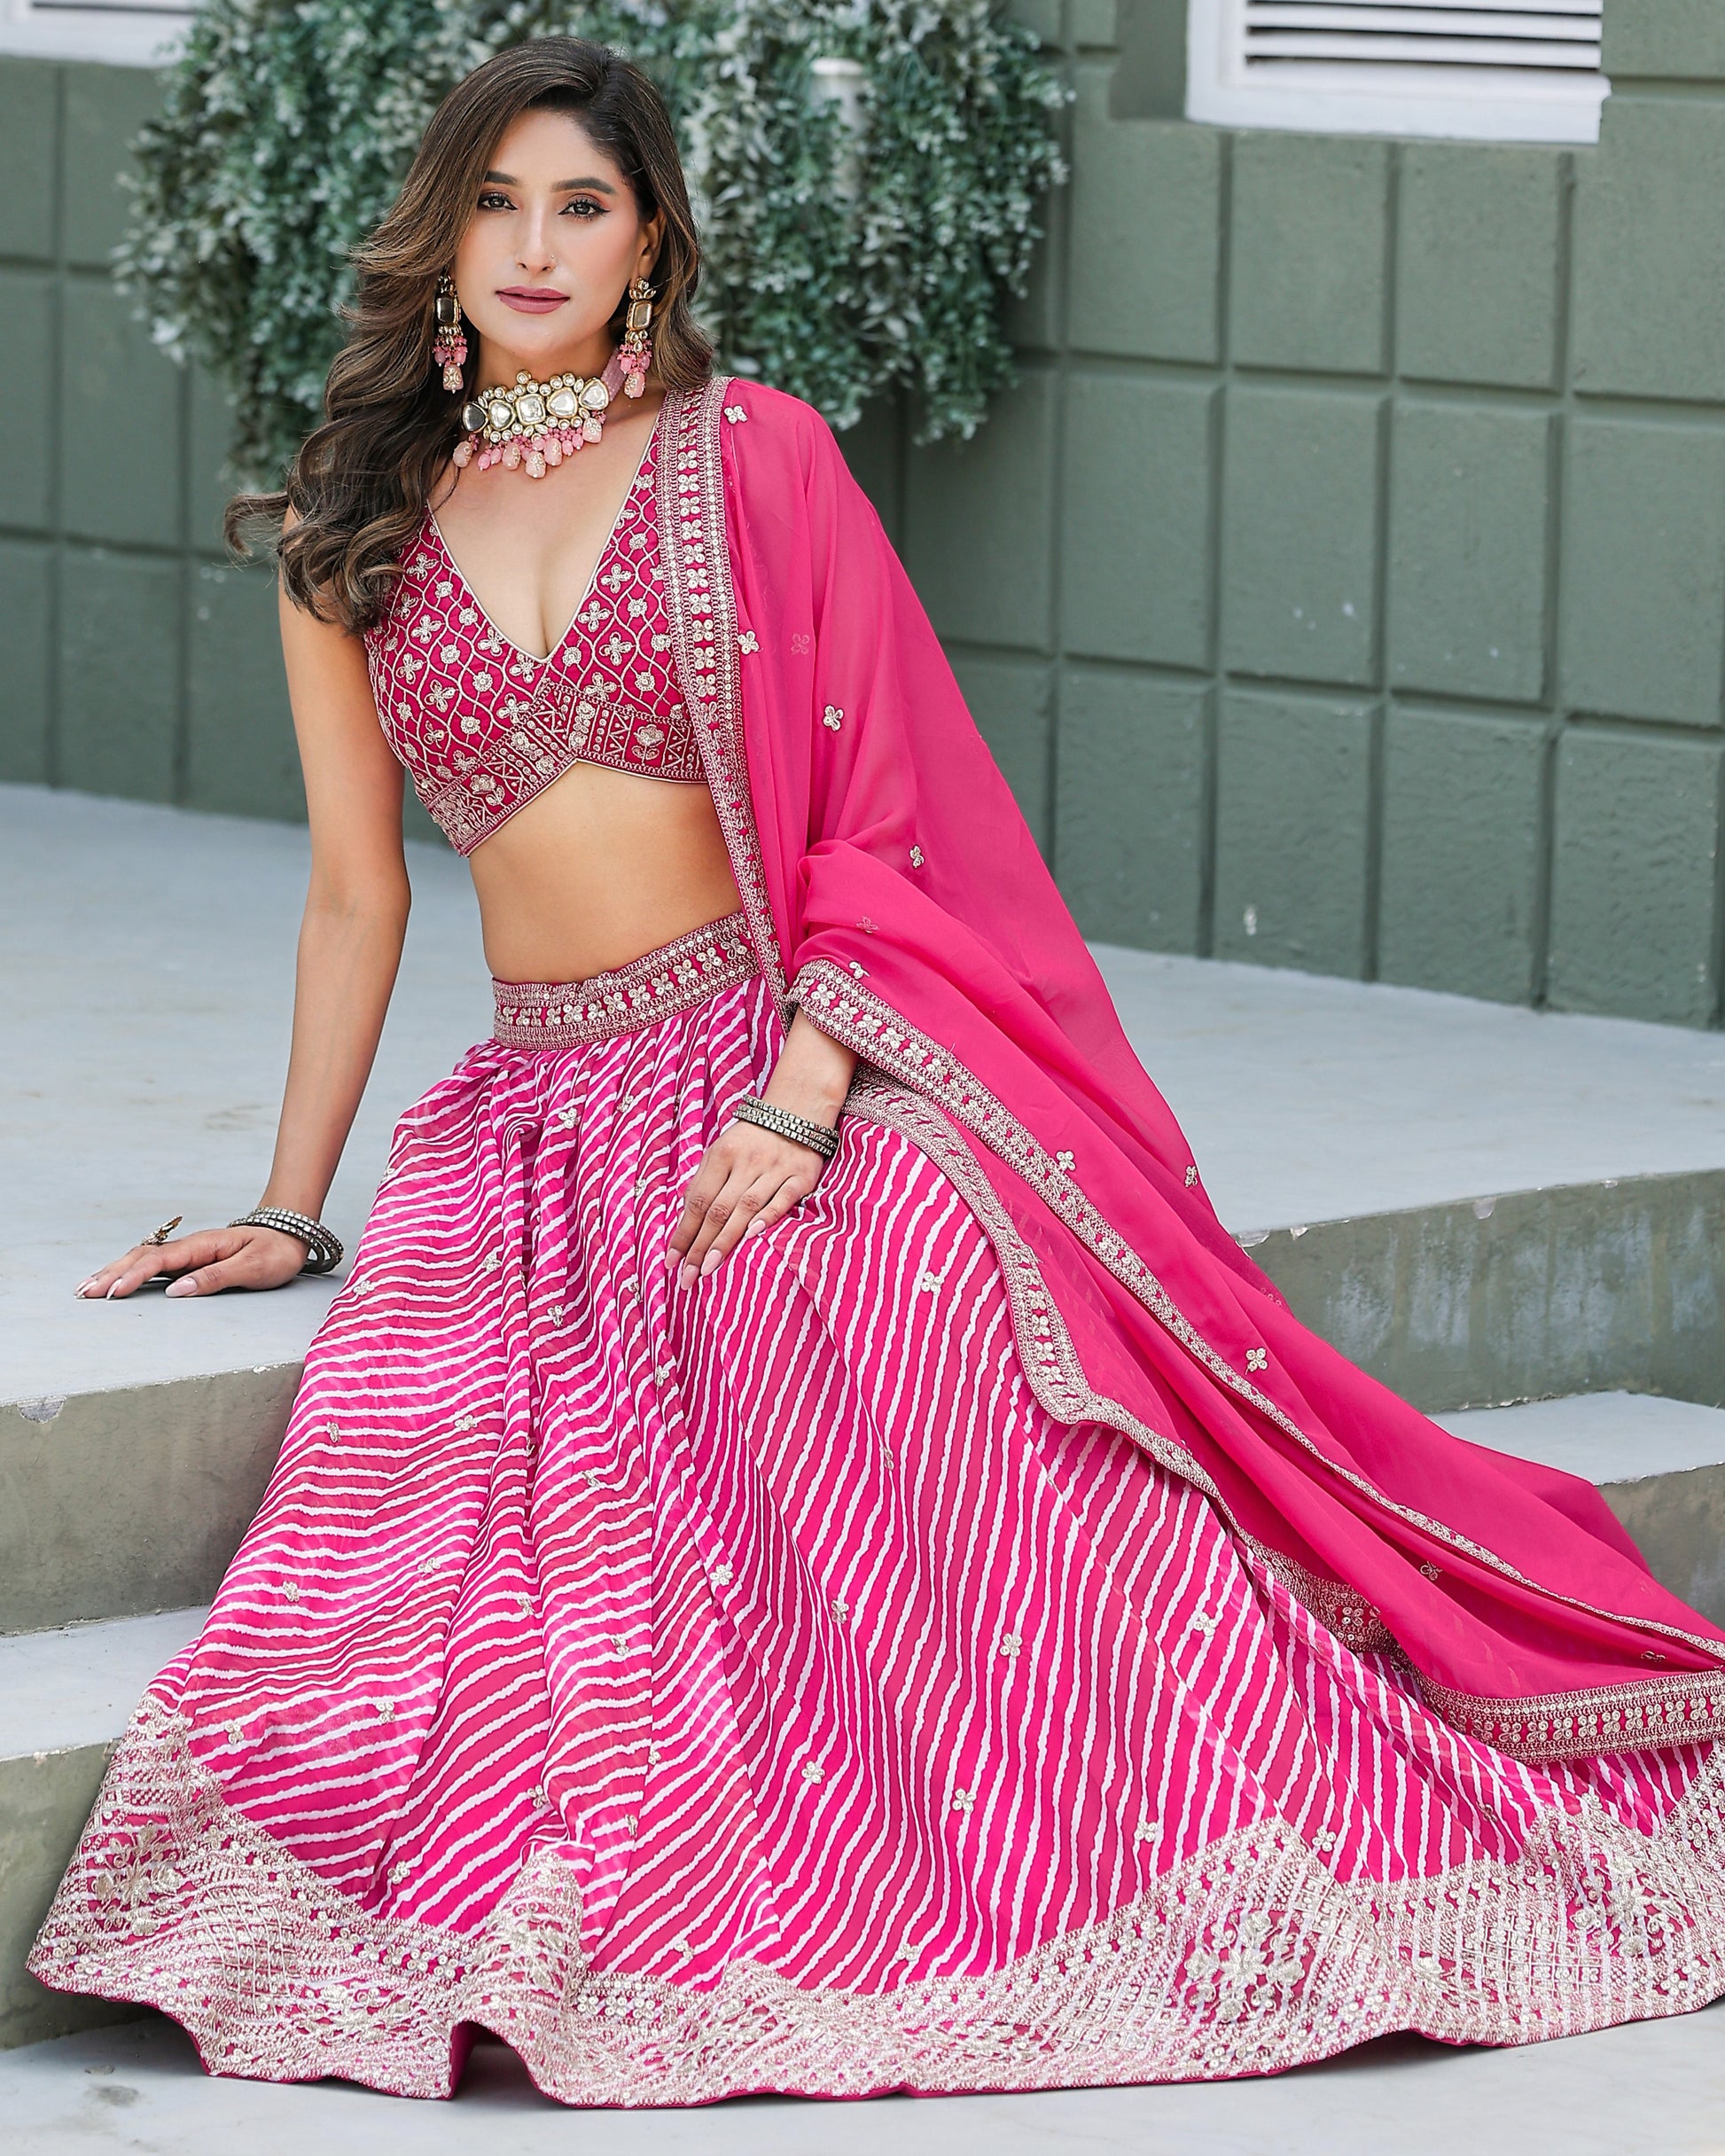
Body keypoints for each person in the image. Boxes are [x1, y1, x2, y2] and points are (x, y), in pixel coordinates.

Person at [32, 36, 1725, 2108]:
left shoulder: (750, 453)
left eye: (582, 203)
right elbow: (354, 899)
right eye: (497, 202)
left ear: (649, 235)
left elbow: (881, 823)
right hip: (535, 1122)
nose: (536, 246)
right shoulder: (352, 518)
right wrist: (294, 1201)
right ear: (438, 231)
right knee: (403, 1554)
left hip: (787, 1039)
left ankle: (1116, 1795)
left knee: (898, 1261)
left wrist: (803, 1093)